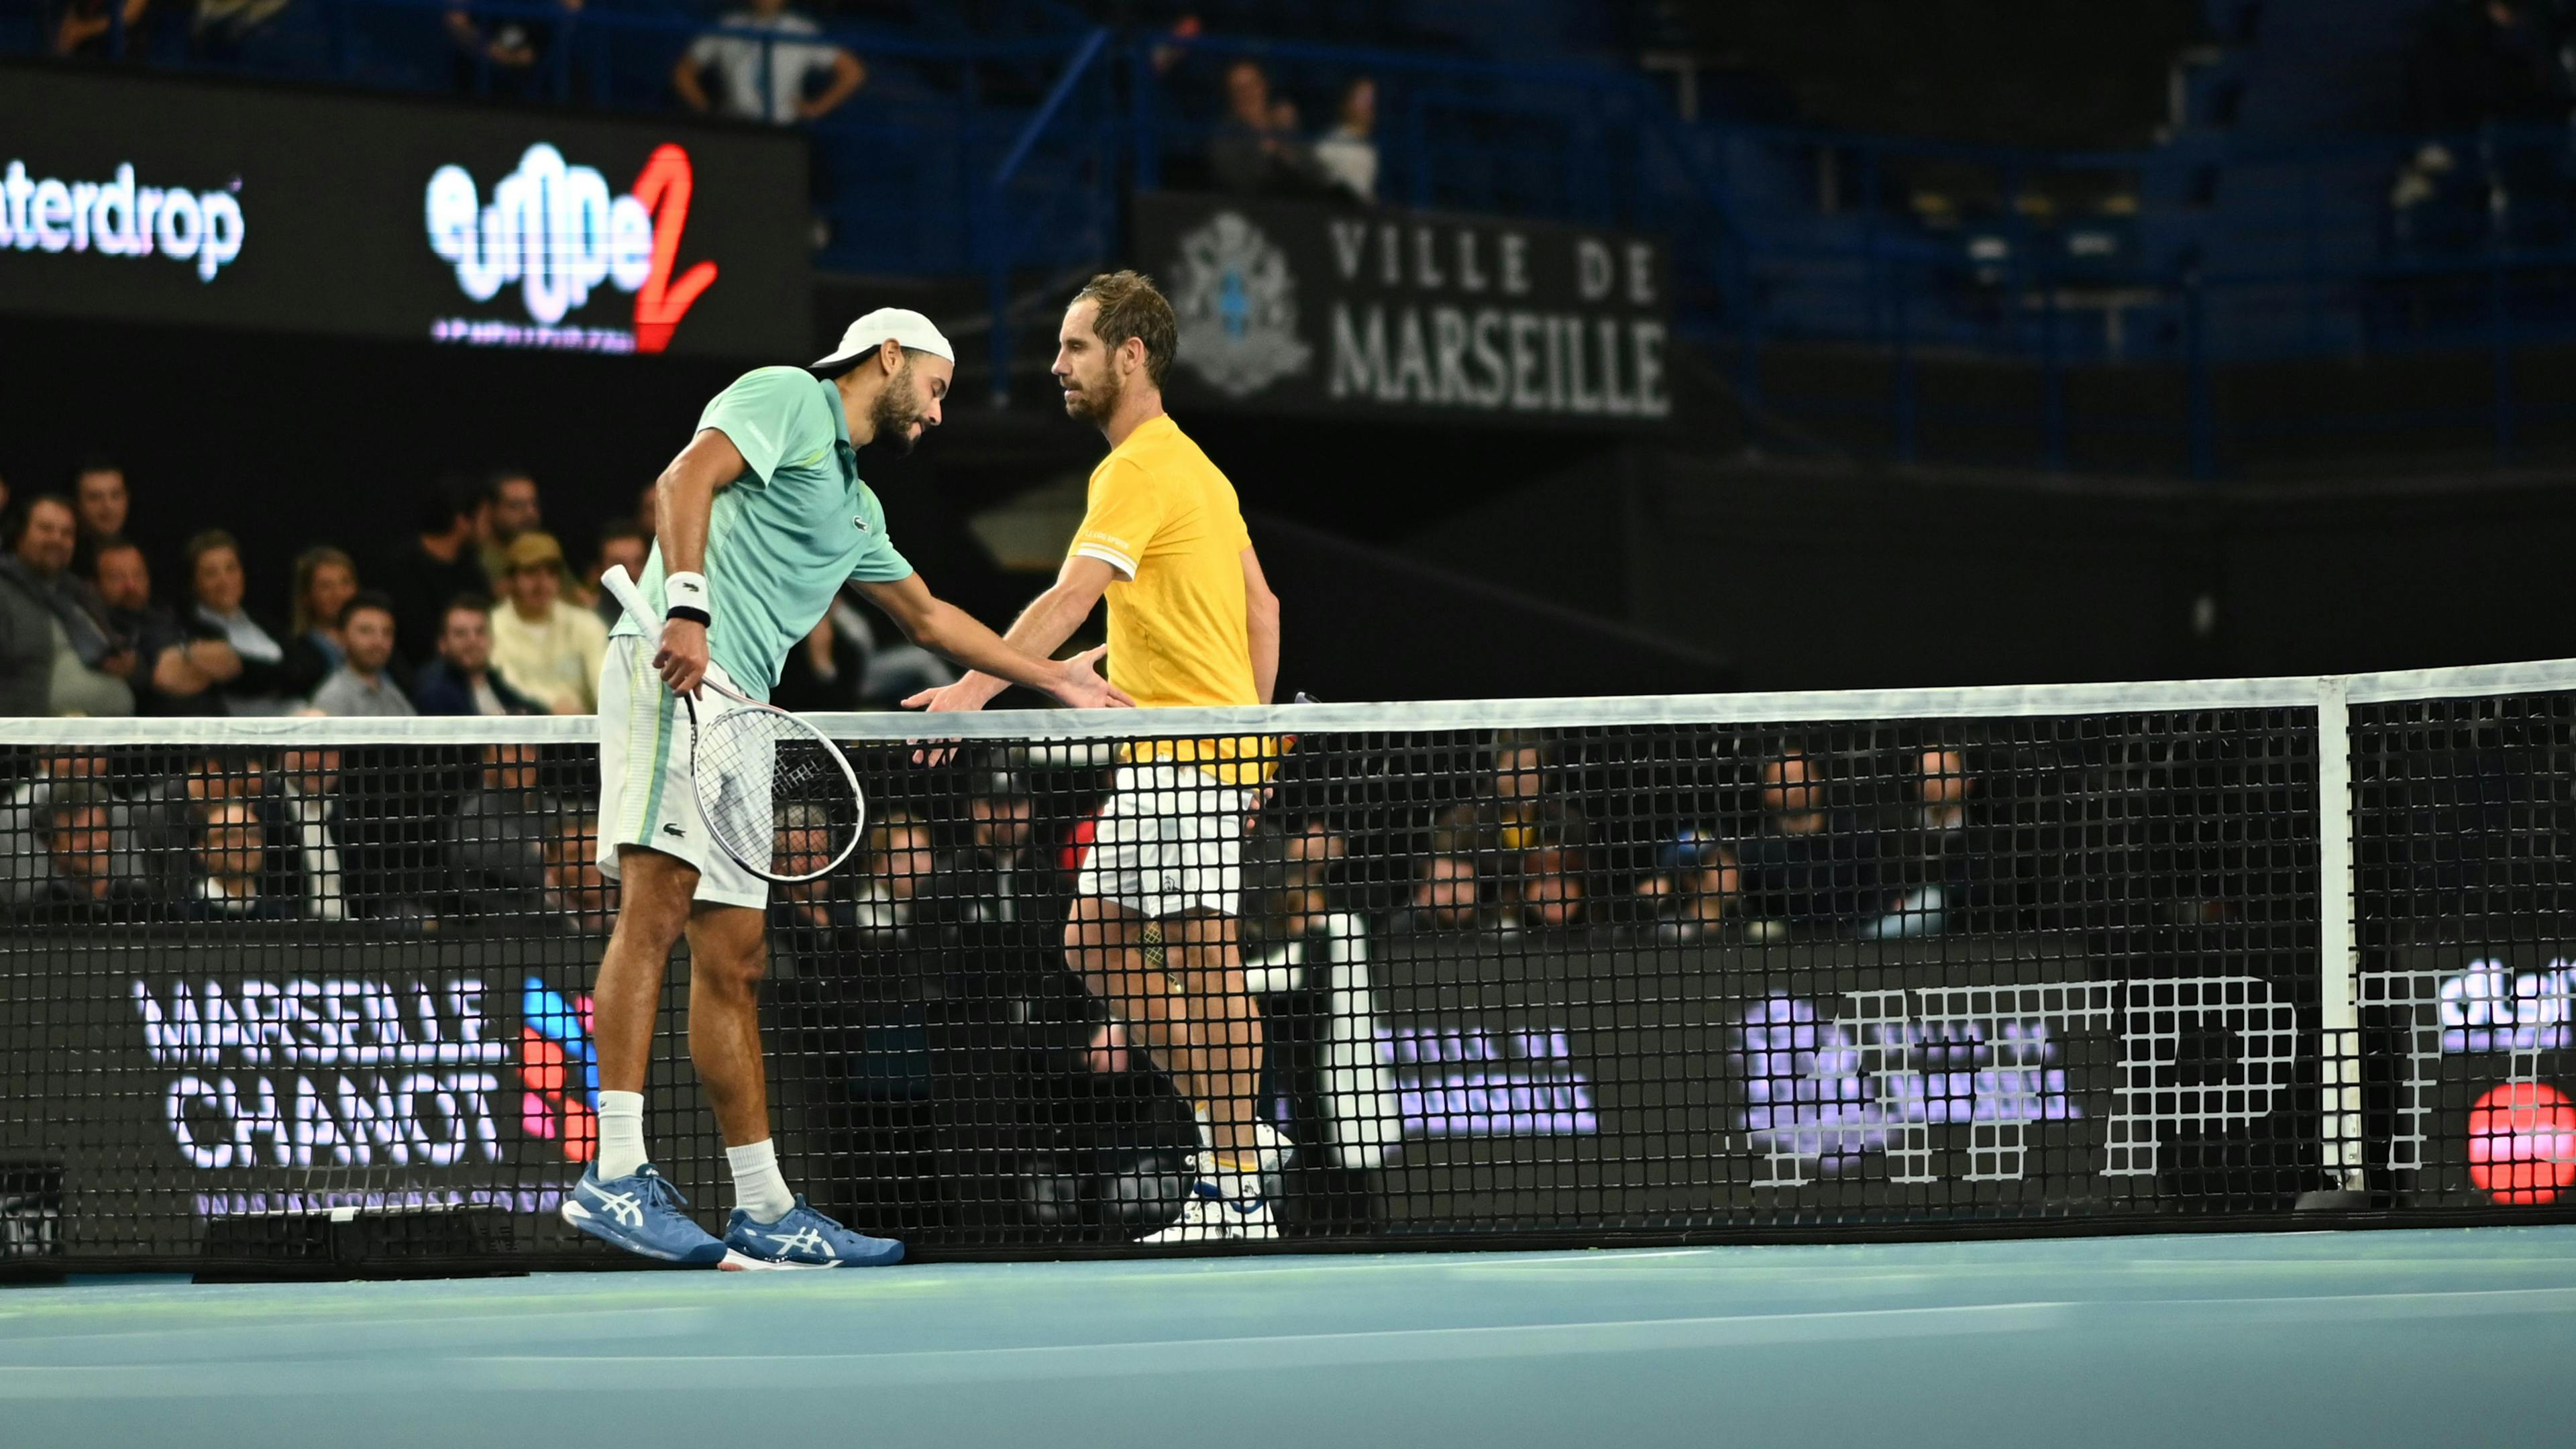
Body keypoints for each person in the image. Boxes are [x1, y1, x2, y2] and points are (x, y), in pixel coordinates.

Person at [569, 306, 1132, 1271]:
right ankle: (614, 1173)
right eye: (941, 388)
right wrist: (689, 606)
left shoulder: (857, 506)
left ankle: (764, 1208)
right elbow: (685, 476)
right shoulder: (788, 394)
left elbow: (927, 613)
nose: (942, 415)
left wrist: (1052, 678)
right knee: (654, 911)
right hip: (678, 669)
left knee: (736, 959)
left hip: (744, 710)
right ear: (888, 357)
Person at [907, 272, 1285, 1244]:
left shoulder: (1137, 468)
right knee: (1095, 946)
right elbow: (1262, 614)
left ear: (1130, 355)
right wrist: (1258, 748)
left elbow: (1072, 597)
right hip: (1186, 755)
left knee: (1204, 962)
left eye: (1075, 347)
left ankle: (1237, 1183)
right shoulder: (1200, 469)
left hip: (1187, 756)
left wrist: (970, 693)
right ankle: (1236, 1140)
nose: (1056, 364)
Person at [1, 494, 133, 717]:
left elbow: (123, 656)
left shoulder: (80, 593)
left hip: (111, 738)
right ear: (20, 535)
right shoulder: (4, 592)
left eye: (67, 533)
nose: (57, 539)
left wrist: (128, 666)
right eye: (46, 529)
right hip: (36, 740)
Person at [91, 537, 233, 715]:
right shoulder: (100, 628)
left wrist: (184, 660)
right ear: (95, 585)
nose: (131, 585)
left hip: (218, 729)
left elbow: (227, 660)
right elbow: (165, 677)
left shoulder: (168, 614)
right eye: (117, 578)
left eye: (138, 575)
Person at [673, 0, 865, 125]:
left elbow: (852, 72)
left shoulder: (801, 31)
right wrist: (706, 112)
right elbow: (684, 72)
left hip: (782, 130)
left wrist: (817, 108)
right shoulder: (727, 26)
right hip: (734, 127)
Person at [179, 530, 297, 715]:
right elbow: (243, 679)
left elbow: (301, 667)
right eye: (211, 573)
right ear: (194, 582)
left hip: (295, 718)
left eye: (231, 568)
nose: (224, 581)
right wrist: (283, 676)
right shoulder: (192, 631)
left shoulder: (263, 621)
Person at [490, 533, 608, 714]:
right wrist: (551, 706)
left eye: (551, 573)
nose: (542, 583)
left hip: (582, 734)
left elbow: (604, 685)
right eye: (530, 573)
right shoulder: (491, 627)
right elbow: (505, 686)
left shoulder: (586, 625)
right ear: (510, 580)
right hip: (518, 733)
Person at [382, 477, 492, 667]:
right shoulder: (402, 568)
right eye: (485, 520)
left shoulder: (472, 569)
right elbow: (414, 642)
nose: (489, 528)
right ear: (462, 522)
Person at [413, 594, 544, 715]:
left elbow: (535, 713)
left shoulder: (501, 680)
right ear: (443, 644)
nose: (473, 641)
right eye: (461, 633)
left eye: (480, 632)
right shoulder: (434, 692)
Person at [308, 593, 416, 716]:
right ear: (342, 637)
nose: (378, 641)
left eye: (387, 632)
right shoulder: (332, 697)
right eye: (366, 631)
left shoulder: (393, 694)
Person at [281, 546, 360, 700]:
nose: (339, 594)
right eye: (326, 586)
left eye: (346, 583)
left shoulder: (379, 640)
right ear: (307, 596)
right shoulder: (301, 653)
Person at [1312, 76, 1379, 204]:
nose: (1368, 105)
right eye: (1363, 98)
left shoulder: (1369, 149)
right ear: (1347, 102)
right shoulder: (1330, 143)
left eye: (1371, 99)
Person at [476, 470, 543, 591]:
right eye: (517, 505)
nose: (531, 513)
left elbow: (577, 597)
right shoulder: (477, 560)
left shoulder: (543, 551)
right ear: (490, 510)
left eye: (534, 504)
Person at [69, 458, 129, 579]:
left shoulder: (142, 555)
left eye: (116, 496)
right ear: (77, 504)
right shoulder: (65, 558)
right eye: (95, 497)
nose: (108, 506)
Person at [588, 521, 653, 628]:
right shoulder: (584, 619)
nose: (631, 571)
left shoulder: (667, 614)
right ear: (598, 569)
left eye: (640, 562)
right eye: (619, 564)